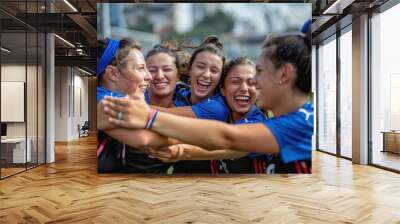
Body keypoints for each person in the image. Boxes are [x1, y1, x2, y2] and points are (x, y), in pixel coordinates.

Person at [102, 33, 313, 174]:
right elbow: (231, 145)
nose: (254, 83)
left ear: (284, 74)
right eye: (236, 81)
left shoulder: (299, 124)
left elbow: (229, 140)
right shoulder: (292, 120)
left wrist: (148, 116)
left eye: (258, 73)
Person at [149, 57, 269, 174]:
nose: (244, 88)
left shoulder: (256, 123)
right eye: (235, 82)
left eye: (251, 83)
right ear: (223, 89)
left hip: (261, 190)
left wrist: (181, 151)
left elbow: (226, 143)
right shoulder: (220, 109)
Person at [97, 38, 174, 173]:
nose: (149, 76)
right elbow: (144, 138)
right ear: (113, 73)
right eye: (140, 68)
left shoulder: (106, 96)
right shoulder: (105, 101)